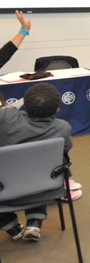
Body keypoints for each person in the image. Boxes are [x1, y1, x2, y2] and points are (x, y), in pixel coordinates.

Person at [0, 83, 81, 242]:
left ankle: (11, 226)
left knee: (23, 173)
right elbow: (66, 149)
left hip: (5, 192)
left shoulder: (7, 117)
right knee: (38, 170)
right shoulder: (62, 128)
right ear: (57, 110)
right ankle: (34, 222)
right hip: (46, 188)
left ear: (24, 104)